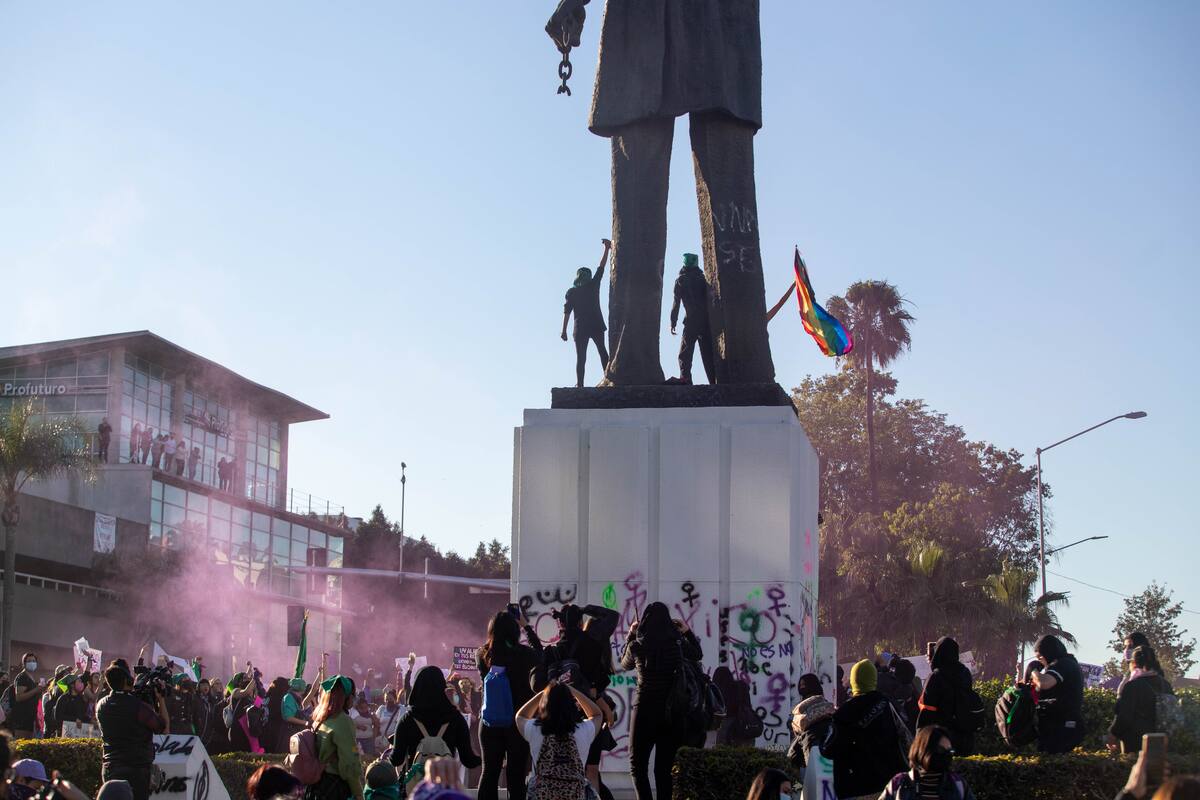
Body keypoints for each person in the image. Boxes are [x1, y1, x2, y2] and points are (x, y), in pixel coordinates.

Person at [620, 602, 703, 800]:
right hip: (672, 713)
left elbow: (625, 664)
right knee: (663, 769)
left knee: (638, 766)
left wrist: (631, 634)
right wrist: (687, 632)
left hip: (644, 711)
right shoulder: (677, 644)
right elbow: (697, 654)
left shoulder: (637, 645)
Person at [477, 610, 543, 800]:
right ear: (515, 631)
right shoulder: (525, 655)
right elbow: (540, 653)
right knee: (516, 776)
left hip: (489, 721)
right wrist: (526, 626)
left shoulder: (482, 654)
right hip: (518, 722)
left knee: (489, 773)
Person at [822, 659, 908, 800]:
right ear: (874, 679)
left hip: (854, 787)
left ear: (854, 680)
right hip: (888, 786)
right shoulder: (887, 705)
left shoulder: (844, 713)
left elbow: (828, 749)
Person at [389, 667, 480, 786]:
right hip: (445, 787)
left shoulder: (407, 720)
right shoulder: (455, 718)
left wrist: (391, 748)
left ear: (417, 687)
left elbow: (396, 759)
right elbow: (469, 760)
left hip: (416, 789)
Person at [515, 682, 603, 800]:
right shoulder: (584, 730)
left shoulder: (535, 729)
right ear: (571, 704)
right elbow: (597, 714)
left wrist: (545, 692)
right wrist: (573, 691)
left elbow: (520, 716)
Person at [96, 661, 169, 800]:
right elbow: (163, 728)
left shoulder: (101, 705)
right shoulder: (139, 707)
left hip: (110, 768)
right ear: (126, 681)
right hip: (136, 771)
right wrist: (161, 699)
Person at [560, 239, 612, 388]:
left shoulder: (572, 292)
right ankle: (608, 378)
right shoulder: (593, 285)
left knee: (581, 357)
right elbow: (600, 268)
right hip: (595, 324)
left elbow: (567, 312)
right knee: (602, 352)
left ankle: (580, 384)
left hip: (580, 328)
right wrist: (607, 249)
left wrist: (564, 331)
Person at [878, 724, 977, 800]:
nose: (946, 755)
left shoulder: (957, 784)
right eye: (941, 750)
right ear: (923, 750)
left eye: (950, 751)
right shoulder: (899, 783)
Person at [1108, 645, 1175, 754]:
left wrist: (1112, 734)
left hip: (1136, 743)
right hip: (1162, 740)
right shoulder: (1165, 684)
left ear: (1134, 663)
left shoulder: (1133, 686)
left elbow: (1124, 716)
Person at [916, 637, 978, 755]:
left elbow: (927, 712)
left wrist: (919, 741)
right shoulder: (965, 673)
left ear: (938, 653)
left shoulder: (936, 677)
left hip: (942, 740)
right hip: (965, 737)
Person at [308, 675, 364, 800]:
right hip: (334, 787)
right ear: (346, 697)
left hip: (316, 786)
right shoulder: (343, 721)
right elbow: (349, 762)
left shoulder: (319, 718)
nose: (354, 699)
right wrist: (358, 793)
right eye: (353, 695)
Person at [1029, 634, 1086, 754]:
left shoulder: (1064, 664)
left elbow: (1044, 683)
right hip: (1053, 725)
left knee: (1053, 758)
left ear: (1048, 652)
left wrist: (1033, 670)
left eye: (1040, 657)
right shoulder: (1059, 665)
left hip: (1064, 726)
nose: (1039, 661)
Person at [668, 253, 714, 385]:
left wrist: (673, 322)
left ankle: (685, 379)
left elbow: (676, 303)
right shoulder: (703, 279)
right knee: (707, 354)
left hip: (691, 321)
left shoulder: (681, 280)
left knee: (685, 354)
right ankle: (713, 380)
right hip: (705, 321)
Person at [788, 673, 833, 773]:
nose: (801, 687)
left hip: (811, 747)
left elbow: (792, 757)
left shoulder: (800, 709)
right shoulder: (825, 705)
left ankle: (797, 787)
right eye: (800, 685)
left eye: (804, 685)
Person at [712, 666, 757, 747]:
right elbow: (747, 705)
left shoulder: (717, 690)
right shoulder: (741, 687)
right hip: (744, 725)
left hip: (725, 726)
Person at [7, 652, 46, 739]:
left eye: (33, 661)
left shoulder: (31, 677)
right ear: (24, 664)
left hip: (30, 718)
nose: (32, 663)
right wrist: (36, 690)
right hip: (22, 719)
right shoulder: (22, 677)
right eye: (29, 661)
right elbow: (19, 697)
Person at [375, 688, 407, 753]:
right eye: (386, 699)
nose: (388, 701)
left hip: (394, 739)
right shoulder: (381, 709)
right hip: (382, 738)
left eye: (390, 699)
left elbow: (400, 723)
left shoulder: (400, 709)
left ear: (395, 699)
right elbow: (376, 722)